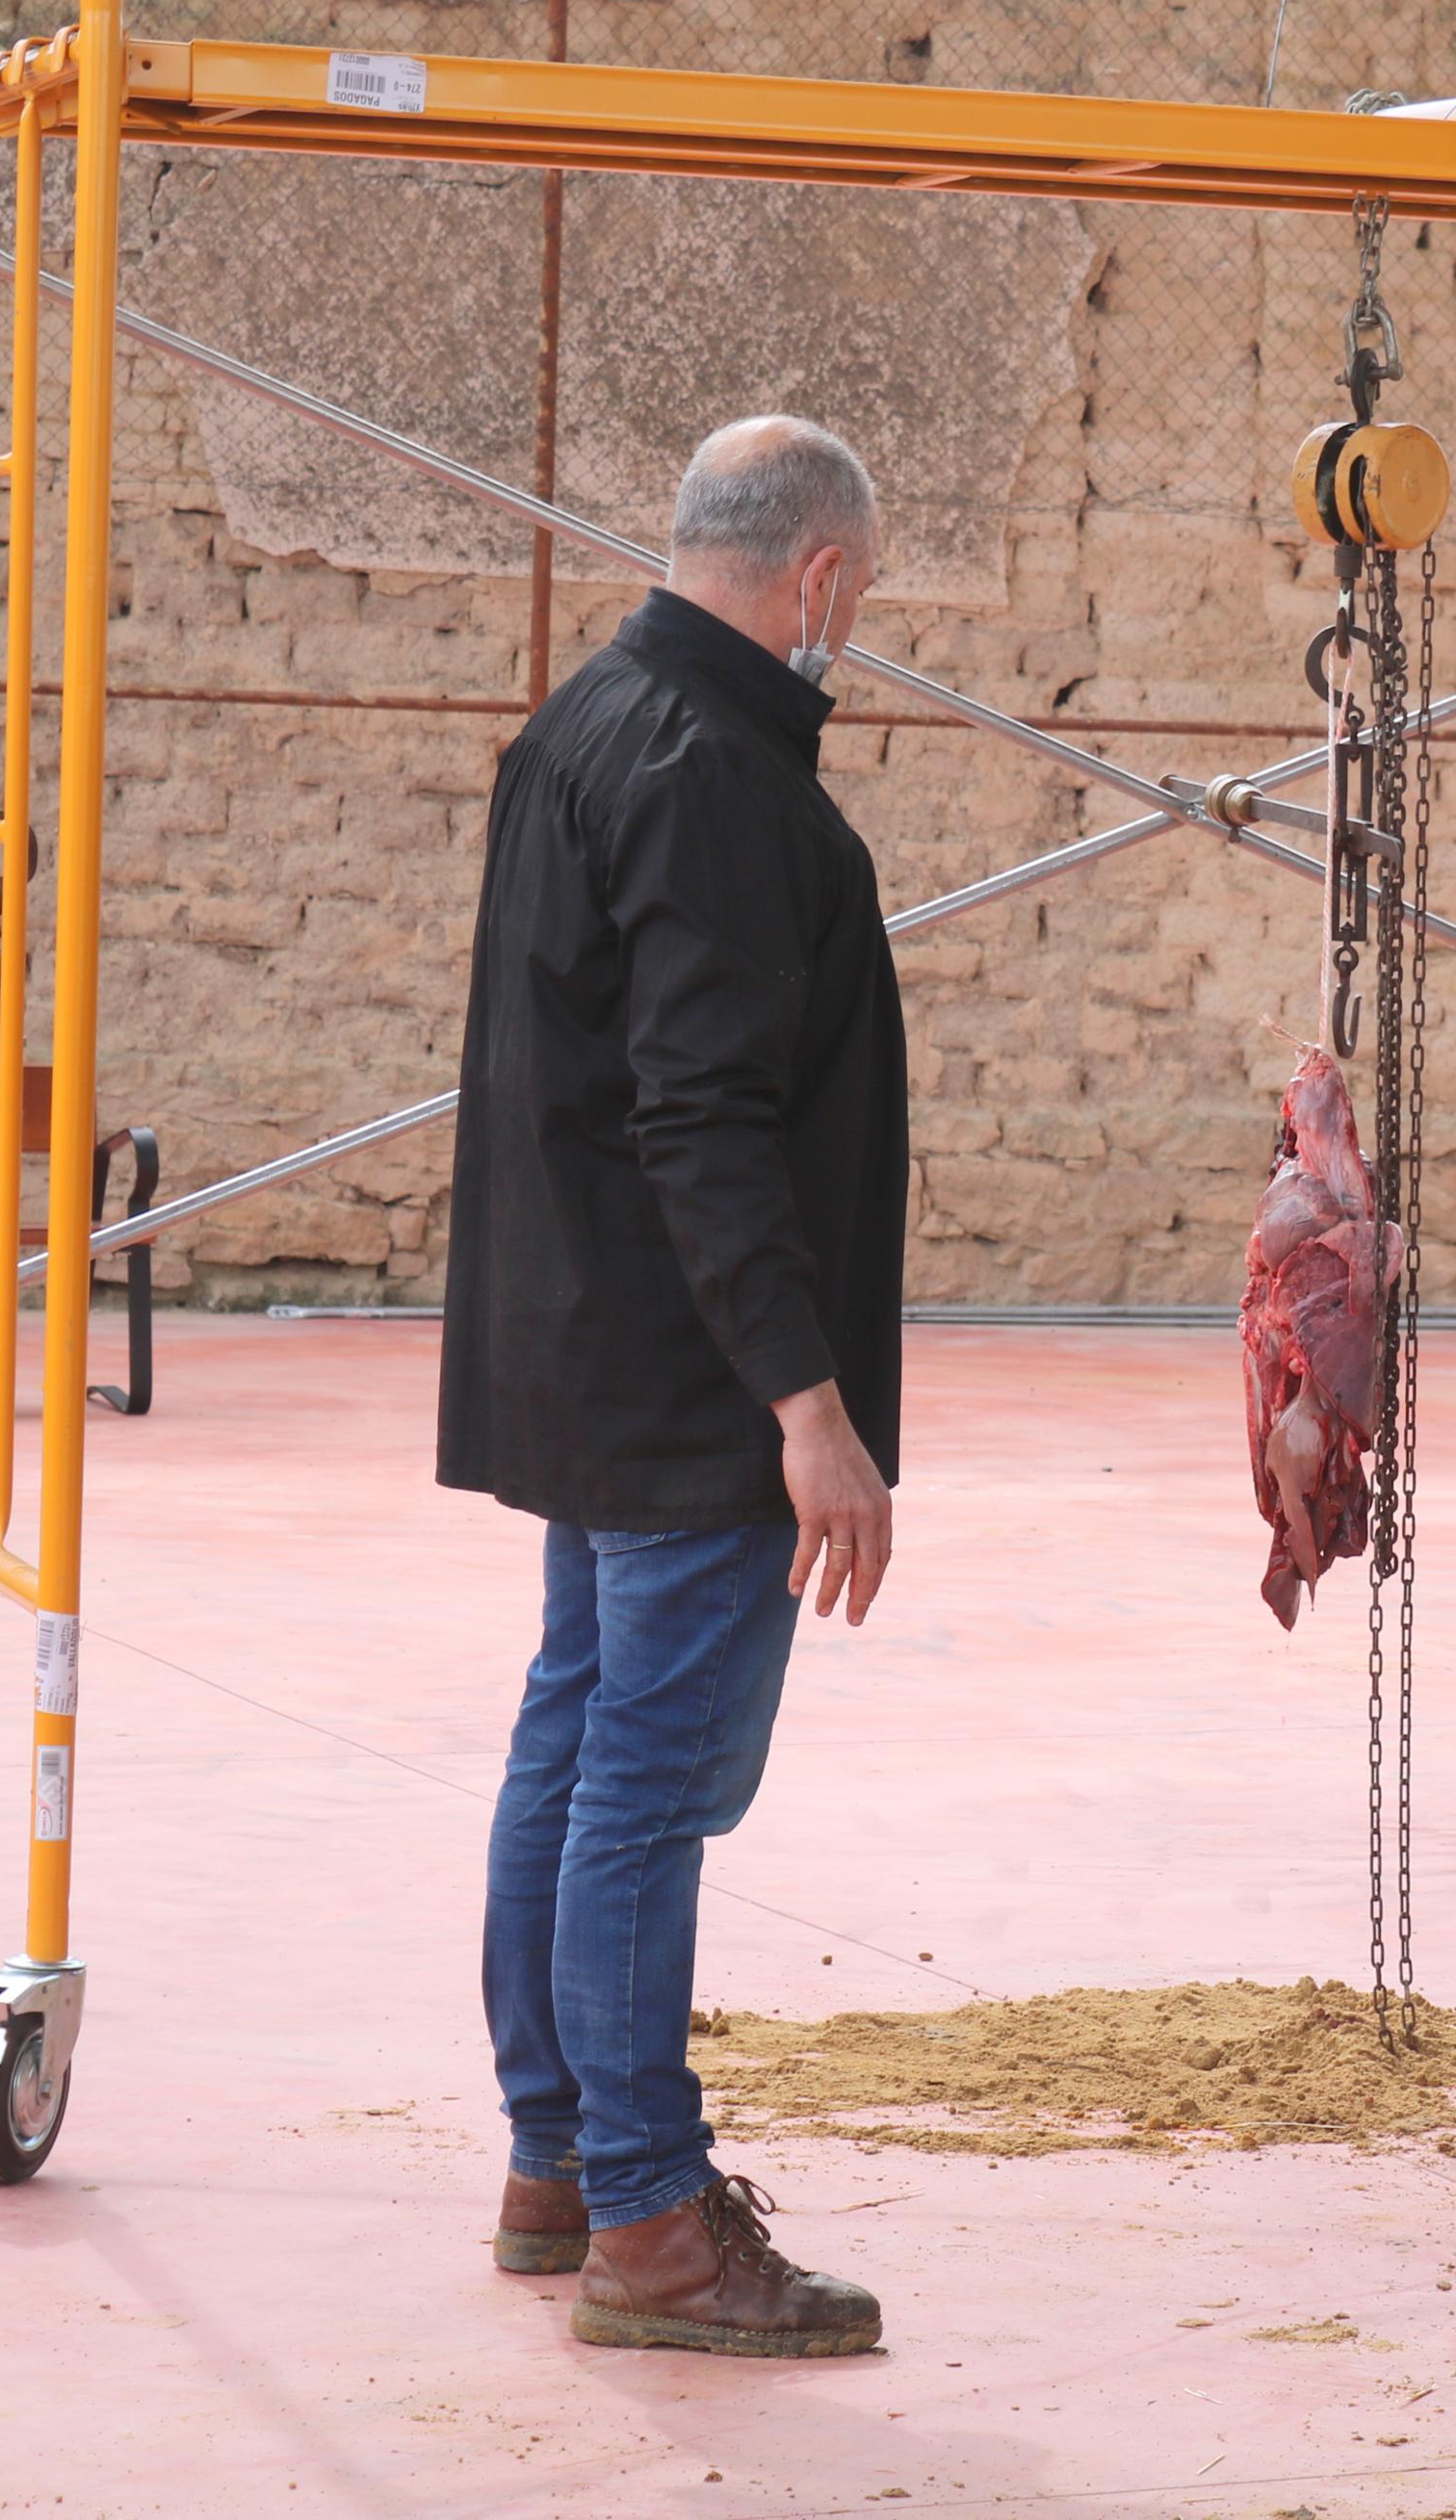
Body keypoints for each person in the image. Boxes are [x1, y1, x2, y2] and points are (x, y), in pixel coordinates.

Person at [441, 416, 908, 2355]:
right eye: (854, 601)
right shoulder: (719, 773)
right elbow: (704, 1109)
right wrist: (805, 1406)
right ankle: (643, 2213)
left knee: (579, 1735)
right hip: (694, 1375)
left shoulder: (585, 717)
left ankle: (559, 2158)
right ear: (812, 578)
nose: (847, 634)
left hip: (589, 1348)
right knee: (647, 1775)